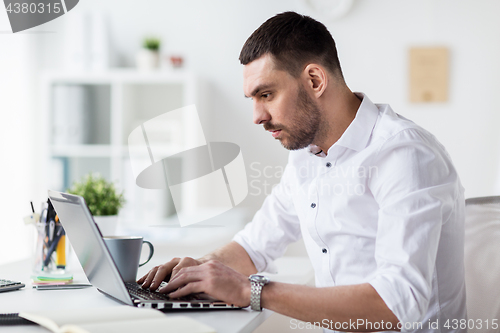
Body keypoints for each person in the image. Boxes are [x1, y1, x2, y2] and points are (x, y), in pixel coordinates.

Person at [138, 11, 466, 332]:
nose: (257, 116)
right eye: (253, 99)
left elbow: (398, 305)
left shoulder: (404, 155)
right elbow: (255, 245)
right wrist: (200, 268)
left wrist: (250, 291)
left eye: (266, 95)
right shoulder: (307, 155)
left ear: (314, 80)